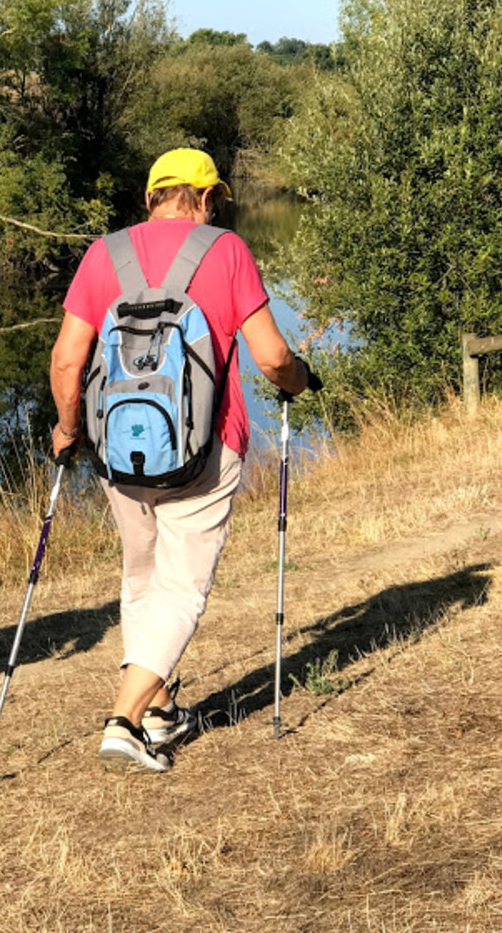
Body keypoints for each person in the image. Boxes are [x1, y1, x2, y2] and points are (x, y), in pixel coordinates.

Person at [49, 148, 316, 772]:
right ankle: (125, 721)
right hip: (207, 448)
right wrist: (300, 380)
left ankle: (162, 710)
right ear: (206, 198)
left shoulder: (103, 254)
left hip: (119, 452)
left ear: (151, 198)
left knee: (142, 576)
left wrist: (68, 430)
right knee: (182, 587)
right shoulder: (226, 250)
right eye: (214, 200)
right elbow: (273, 358)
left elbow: (66, 360)